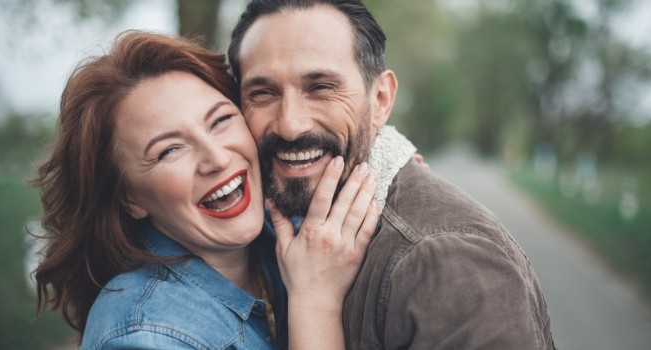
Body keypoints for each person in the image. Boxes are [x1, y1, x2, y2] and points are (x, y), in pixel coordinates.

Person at [227, 0, 556, 349]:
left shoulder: (445, 261)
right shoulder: (268, 223)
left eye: (320, 87)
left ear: (381, 100)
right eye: (262, 93)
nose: (290, 125)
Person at [32, 30, 380, 349]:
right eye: (169, 150)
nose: (216, 157)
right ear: (130, 198)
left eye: (221, 120)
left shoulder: (279, 222)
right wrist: (314, 300)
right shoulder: (143, 336)